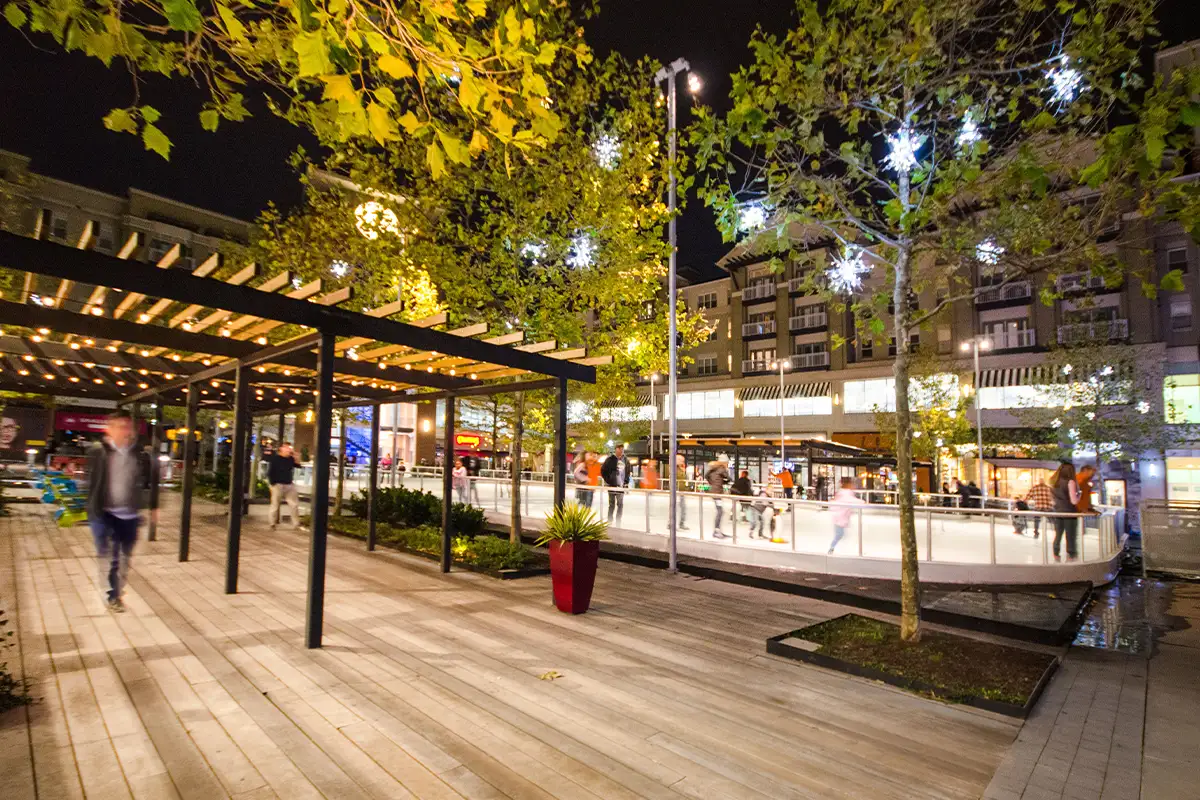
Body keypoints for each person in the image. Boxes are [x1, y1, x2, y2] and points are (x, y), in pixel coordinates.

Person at [86, 410, 150, 612]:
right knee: (112, 556)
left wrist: (150, 505)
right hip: (106, 513)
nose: (125, 431)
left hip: (129, 515)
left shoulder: (138, 453)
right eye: (120, 426)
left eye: (128, 426)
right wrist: (93, 510)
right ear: (110, 428)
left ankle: (115, 590)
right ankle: (113, 595)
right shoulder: (98, 452)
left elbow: (147, 481)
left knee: (124, 557)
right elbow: (91, 482)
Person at [267, 441, 302, 530]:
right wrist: (273, 483)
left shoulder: (290, 459)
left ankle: (296, 524)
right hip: (278, 484)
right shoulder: (275, 459)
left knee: (294, 504)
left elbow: (298, 465)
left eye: (289, 448)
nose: (288, 450)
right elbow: (270, 472)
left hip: (289, 484)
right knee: (275, 504)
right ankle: (272, 523)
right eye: (286, 448)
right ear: (281, 449)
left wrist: (296, 456)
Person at [1050, 462, 1082, 561]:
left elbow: (1052, 500)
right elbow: (1074, 501)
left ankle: (1056, 554)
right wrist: (1079, 494)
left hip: (1058, 511)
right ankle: (1071, 555)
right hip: (1069, 512)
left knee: (1058, 534)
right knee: (1070, 535)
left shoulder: (1054, 482)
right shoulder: (1070, 482)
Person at [829, 477, 861, 554]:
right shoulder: (845, 493)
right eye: (851, 484)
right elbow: (851, 500)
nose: (853, 486)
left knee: (840, 534)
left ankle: (832, 548)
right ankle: (831, 548)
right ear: (847, 484)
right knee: (839, 534)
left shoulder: (843, 492)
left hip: (840, 517)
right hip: (839, 517)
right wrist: (863, 502)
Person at [601, 444, 632, 526]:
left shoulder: (625, 460)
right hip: (612, 485)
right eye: (620, 449)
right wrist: (608, 480)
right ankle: (610, 521)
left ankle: (618, 522)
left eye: (622, 449)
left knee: (620, 505)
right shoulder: (610, 459)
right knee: (611, 504)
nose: (621, 451)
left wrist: (626, 482)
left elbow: (628, 472)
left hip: (621, 486)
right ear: (616, 449)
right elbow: (603, 470)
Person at [705, 456, 731, 538]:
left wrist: (712, 483)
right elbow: (729, 478)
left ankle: (717, 530)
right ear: (724, 462)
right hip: (717, 492)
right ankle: (716, 531)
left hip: (713, 491)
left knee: (720, 511)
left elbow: (707, 476)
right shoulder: (722, 468)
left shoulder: (713, 468)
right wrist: (723, 481)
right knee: (720, 511)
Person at [675, 453, 690, 530]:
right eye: (681, 460)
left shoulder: (681, 469)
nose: (682, 462)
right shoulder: (673, 469)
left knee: (683, 508)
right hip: (676, 492)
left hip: (681, 491)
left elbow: (684, 480)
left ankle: (681, 523)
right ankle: (671, 523)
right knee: (674, 508)